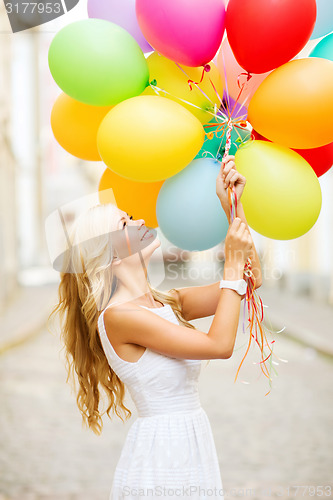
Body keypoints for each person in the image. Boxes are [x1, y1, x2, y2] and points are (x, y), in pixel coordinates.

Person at [50, 155, 262, 499]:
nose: (142, 221)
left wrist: (233, 210)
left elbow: (251, 282)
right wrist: (232, 259)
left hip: (190, 440)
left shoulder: (168, 301)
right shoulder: (119, 318)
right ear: (111, 255)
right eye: (125, 224)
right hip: (163, 454)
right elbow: (220, 346)